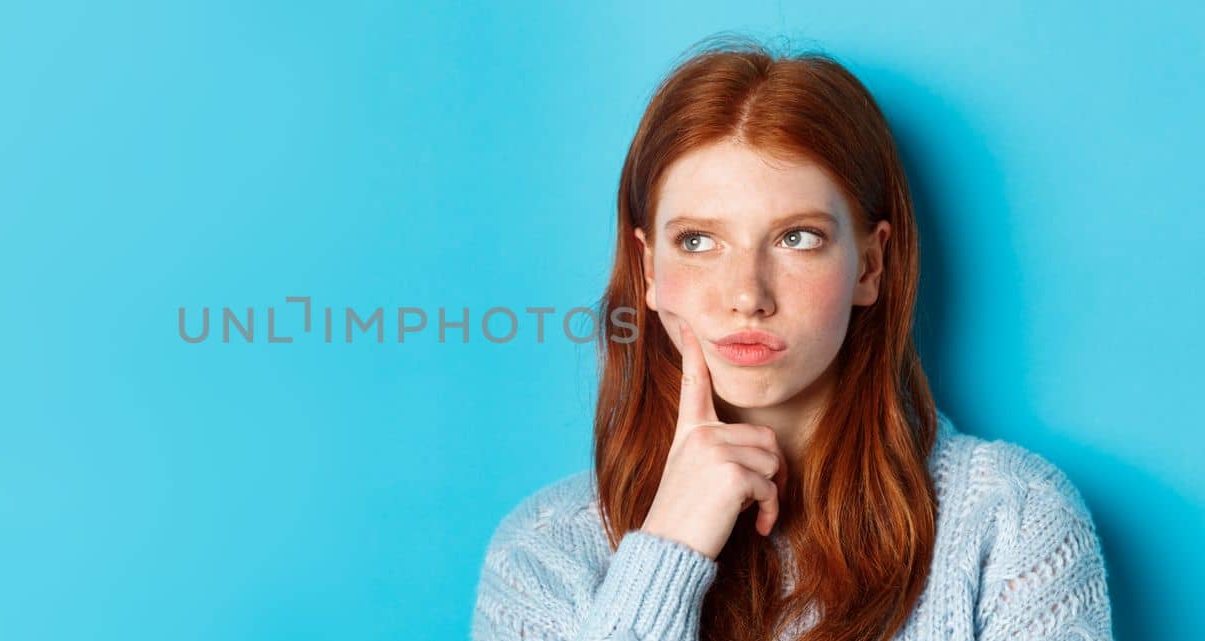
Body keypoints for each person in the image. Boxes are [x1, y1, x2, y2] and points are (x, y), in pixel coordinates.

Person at [470, 34, 1114, 641]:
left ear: (870, 265)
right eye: (698, 242)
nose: (747, 294)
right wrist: (667, 552)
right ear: (649, 272)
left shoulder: (1013, 521)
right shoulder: (543, 553)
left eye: (796, 238)